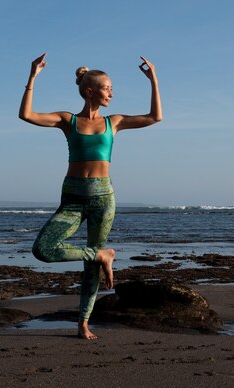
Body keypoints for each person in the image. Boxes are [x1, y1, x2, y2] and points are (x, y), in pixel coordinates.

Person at [19, 53, 162, 339]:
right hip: (72, 197)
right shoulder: (67, 120)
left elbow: (154, 117)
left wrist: (153, 79)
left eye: (111, 87)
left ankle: (83, 322)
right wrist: (32, 77)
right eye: (107, 87)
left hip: (102, 198)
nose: (112, 91)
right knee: (43, 249)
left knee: (91, 269)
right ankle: (101, 254)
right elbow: (27, 115)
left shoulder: (115, 121)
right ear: (89, 91)